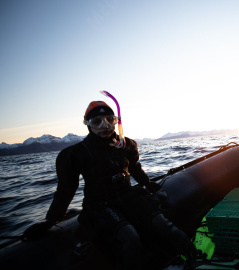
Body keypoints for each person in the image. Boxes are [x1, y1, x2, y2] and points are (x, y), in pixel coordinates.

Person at [23, 101, 195, 269]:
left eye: (109, 120)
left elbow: (134, 167)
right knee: (129, 236)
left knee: (163, 224)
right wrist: (50, 221)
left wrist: (147, 183)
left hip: (128, 196)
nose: (104, 126)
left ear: (116, 121)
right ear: (87, 124)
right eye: (97, 121)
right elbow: (66, 189)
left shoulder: (126, 144)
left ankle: (195, 258)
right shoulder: (77, 153)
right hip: (100, 204)